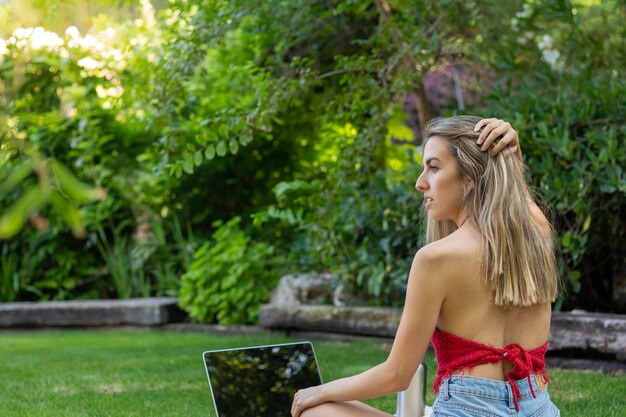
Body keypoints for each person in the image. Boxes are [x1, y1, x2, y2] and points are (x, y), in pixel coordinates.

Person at [291, 116, 561, 417]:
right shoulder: (538, 233)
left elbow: (396, 375)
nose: (420, 183)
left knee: (319, 412)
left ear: (471, 176)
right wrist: (511, 153)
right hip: (538, 408)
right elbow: (515, 196)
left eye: (433, 167)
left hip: (466, 410)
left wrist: (318, 391)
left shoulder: (435, 259)